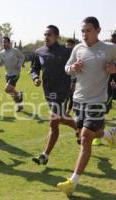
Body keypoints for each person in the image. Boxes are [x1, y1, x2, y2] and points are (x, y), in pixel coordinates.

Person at [57, 16, 116, 196]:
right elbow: (67, 68)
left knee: (85, 137)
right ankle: (108, 134)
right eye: (82, 31)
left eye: (88, 30)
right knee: (89, 132)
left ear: (98, 30)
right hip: (79, 99)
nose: (84, 34)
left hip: (97, 100)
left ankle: (72, 182)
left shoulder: (108, 48)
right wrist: (73, 67)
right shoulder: (78, 48)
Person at [31, 25, 79, 166]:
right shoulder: (39, 52)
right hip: (48, 92)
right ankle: (81, 128)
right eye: (45, 34)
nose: (46, 37)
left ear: (57, 36)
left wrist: (74, 81)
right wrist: (35, 78)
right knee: (61, 119)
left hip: (63, 91)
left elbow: (77, 66)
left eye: (49, 34)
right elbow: (34, 68)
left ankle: (45, 155)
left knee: (53, 123)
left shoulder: (66, 51)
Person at [0, 36, 25, 112]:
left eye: (5, 42)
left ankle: (18, 96)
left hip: (15, 73)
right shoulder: (1, 53)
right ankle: (19, 104)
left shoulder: (15, 51)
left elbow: (22, 57)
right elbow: (0, 63)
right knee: (11, 91)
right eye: (2, 42)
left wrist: (19, 64)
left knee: (7, 89)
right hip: (7, 74)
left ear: (9, 43)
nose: (3, 44)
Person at [65, 39, 76, 115]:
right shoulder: (64, 54)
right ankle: (64, 112)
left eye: (69, 45)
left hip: (74, 78)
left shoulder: (77, 55)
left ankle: (68, 112)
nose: (67, 47)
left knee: (71, 95)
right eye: (66, 45)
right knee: (65, 95)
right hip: (65, 78)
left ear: (73, 46)